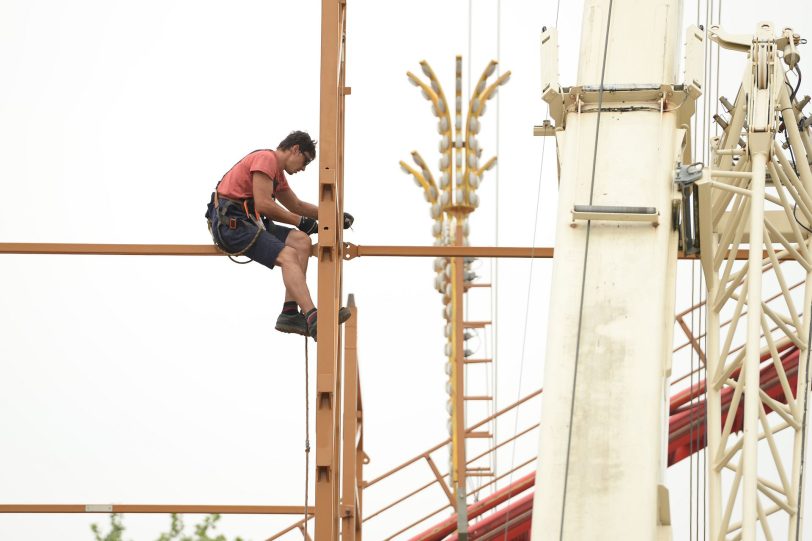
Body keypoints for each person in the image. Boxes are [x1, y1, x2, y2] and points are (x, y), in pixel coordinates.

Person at [205, 131, 354, 341]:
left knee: (302, 241)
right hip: (233, 225)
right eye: (306, 161)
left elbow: (296, 205)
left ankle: (290, 313)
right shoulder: (266, 159)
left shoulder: (277, 174)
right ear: (295, 149)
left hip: (249, 222)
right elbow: (264, 204)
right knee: (288, 256)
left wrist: (334, 216)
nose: (303, 168)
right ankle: (312, 316)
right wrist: (300, 222)